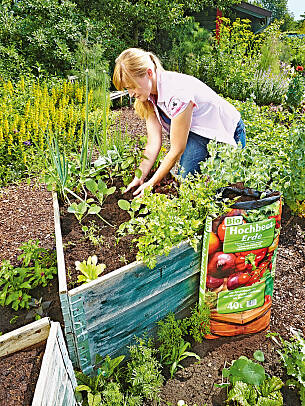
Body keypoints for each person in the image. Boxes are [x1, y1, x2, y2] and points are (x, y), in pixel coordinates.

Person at [113, 48, 246, 197]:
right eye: (127, 89)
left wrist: (151, 184)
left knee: (221, 192)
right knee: (187, 186)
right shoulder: (148, 97)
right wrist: (141, 176)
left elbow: (176, 150)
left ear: (149, 73)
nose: (131, 94)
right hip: (197, 134)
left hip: (226, 132)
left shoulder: (176, 93)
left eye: (132, 87)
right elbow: (153, 143)